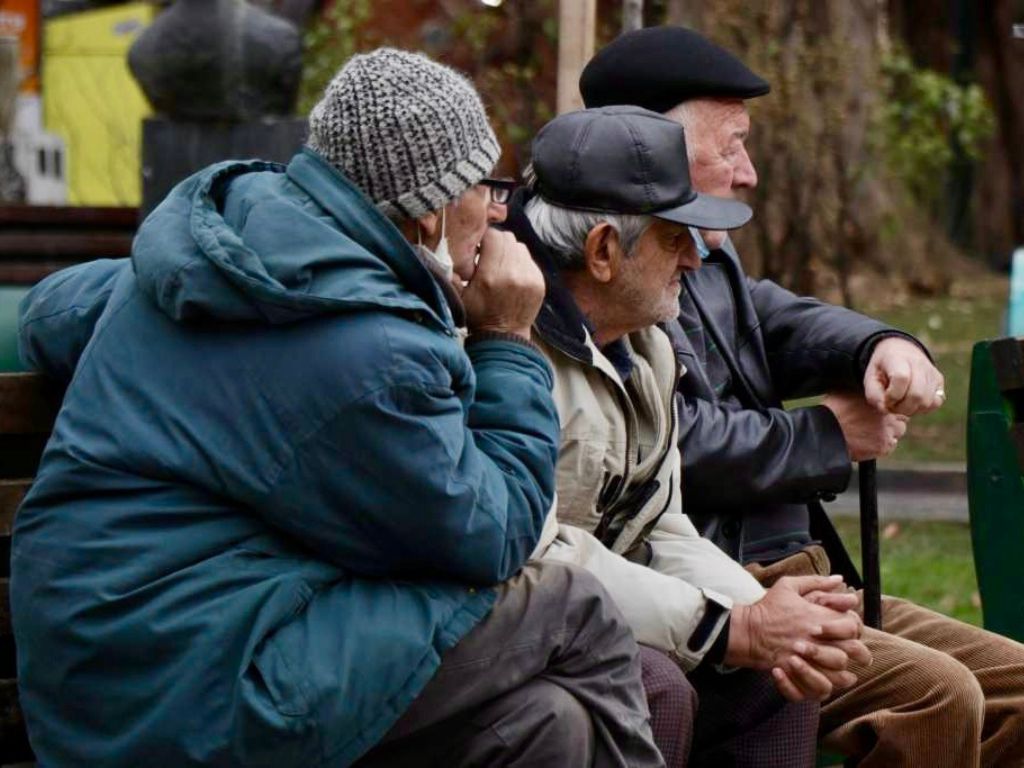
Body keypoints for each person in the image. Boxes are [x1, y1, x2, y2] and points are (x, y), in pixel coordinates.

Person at [12, 48, 666, 768]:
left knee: (548, 724)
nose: (501, 208)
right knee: (572, 608)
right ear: (430, 210)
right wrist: (506, 340)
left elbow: (48, 314)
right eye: (485, 183)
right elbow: (495, 536)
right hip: (193, 689)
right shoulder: (370, 353)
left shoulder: (229, 258)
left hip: (114, 661)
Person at [580, 25, 1024, 768]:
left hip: (809, 573)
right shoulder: (600, 256)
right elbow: (661, 440)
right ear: (646, 146)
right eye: (730, 145)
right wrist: (824, 436)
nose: (749, 172)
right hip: (719, 585)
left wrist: (881, 344)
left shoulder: (704, 252)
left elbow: (775, 318)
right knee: (939, 698)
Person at [507, 105, 872, 767]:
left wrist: (765, 615)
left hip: (596, 614)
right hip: (507, 619)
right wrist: (727, 625)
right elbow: (536, 557)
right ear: (603, 252)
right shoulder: (509, 348)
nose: (696, 256)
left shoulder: (645, 343)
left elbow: (658, 524)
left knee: (777, 672)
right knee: (655, 685)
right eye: (676, 236)